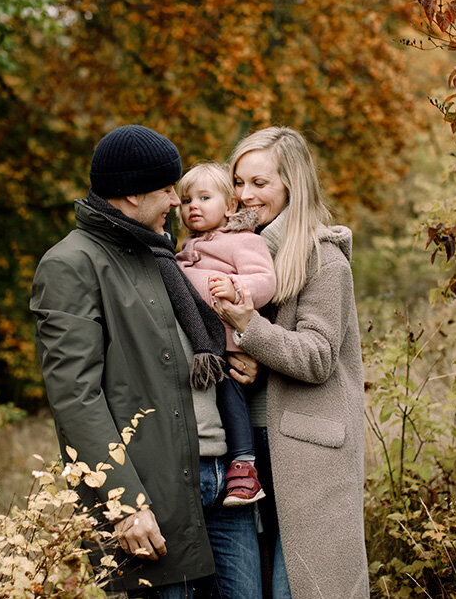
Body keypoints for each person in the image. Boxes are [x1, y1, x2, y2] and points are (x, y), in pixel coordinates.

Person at [29, 124, 261, 598]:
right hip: (154, 494)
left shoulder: (163, 253)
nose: (177, 201)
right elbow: (76, 399)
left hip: (222, 479)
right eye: (166, 190)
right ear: (133, 196)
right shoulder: (71, 264)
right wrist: (126, 503)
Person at [212, 127, 369, 599]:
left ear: (292, 185)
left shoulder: (323, 260)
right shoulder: (239, 253)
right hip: (246, 445)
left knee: (299, 586)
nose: (244, 195)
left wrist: (249, 327)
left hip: (309, 451)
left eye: (259, 183)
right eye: (238, 182)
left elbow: (318, 357)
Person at [175, 162, 277, 506]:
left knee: (232, 400)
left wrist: (235, 287)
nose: (194, 206)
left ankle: (245, 467)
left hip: (231, 343)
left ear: (230, 206)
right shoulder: (185, 247)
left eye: (205, 197)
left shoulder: (242, 242)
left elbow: (265, 281)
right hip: (203, 345)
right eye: (187, 199)